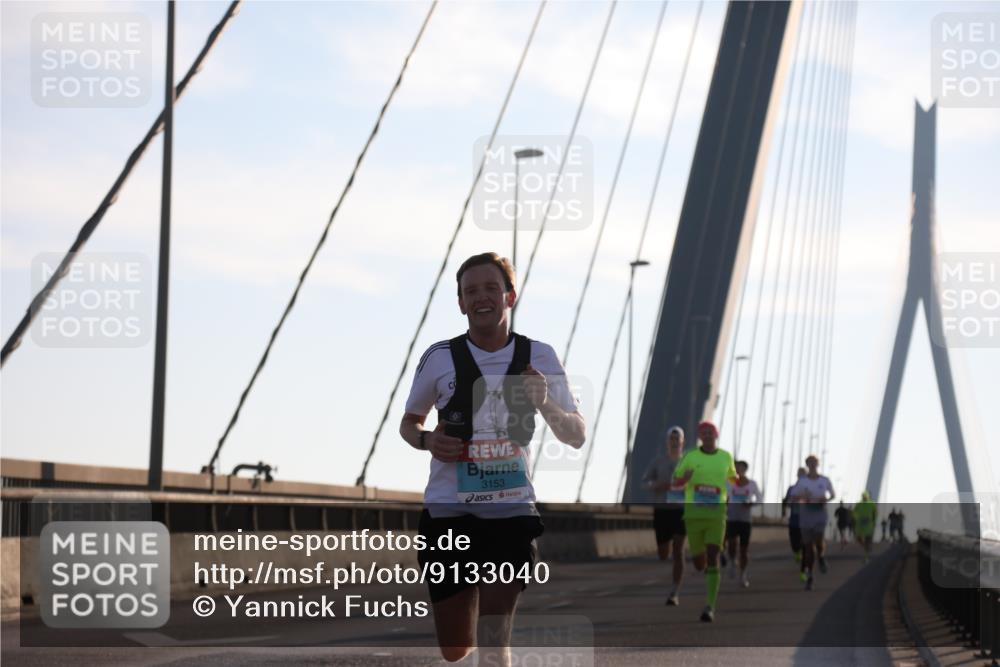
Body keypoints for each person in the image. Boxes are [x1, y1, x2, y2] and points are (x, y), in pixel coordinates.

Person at [400, 252, 586, 665]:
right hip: (449, 513)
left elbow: (576, 435)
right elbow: (409, 424)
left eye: (491, 288)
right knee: (454, 649)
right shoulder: (440, 358)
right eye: (471, 292)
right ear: (461, 303)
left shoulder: (539, 356)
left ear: (510, 296)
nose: (481, 297)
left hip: (510, 513)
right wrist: (428, 441)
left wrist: (546, 405)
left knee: (493, 638)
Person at [672, 420, 738, 622]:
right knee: (700, 563)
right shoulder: (690, 456)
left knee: (713, 556)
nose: (708, 435)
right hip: (693, 516)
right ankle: (706, 569)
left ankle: (710, 606)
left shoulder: (726, 457)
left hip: (717, 515)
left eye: (711, 432)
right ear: (700, 437)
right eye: (704, 432)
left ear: (716, 435)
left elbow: (733, 478)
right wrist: (685, 479)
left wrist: (734, 485)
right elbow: (675, 481)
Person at [642, 426, 688, 606]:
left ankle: (674, 591)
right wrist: (656, 485)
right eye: (672, 439)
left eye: (678, 439)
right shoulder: (658, 461)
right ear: (667, 441)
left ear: (682, 441)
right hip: (661, 511)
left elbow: (697, 484)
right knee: (663, 554)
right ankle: (667, 555)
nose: (675, 442)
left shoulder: (689, 463)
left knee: (678, 551)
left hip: (681, 511)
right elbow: (644, 482)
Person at [788, 455, 836, 591]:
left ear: (818, 464)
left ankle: (821, 557)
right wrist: (803, 497)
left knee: (819, 542)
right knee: (808, 549)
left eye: (815, 462)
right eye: (810, 463)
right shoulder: (802, 482)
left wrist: (825, 499)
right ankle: (810, 576)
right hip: (806, 516)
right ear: (807, 464)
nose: (813, 464)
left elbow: (832, 495)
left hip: (820, 514)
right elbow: (793, 497)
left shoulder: (824, 480)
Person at [725, 460, 760, 588]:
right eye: (736, 468)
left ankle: (743, 575)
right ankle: (731, 561)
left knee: (744, 550)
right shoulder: (729, 483)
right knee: (732, 544)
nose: (738, 470)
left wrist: (751, 503)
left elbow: (760, 499)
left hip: (746, 520)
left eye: (740, 468)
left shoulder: (752, 484)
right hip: (732, 518)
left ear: (745, 469)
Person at [782, 467, 807, 564]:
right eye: (800, 474)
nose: (801, 476)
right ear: (797, 475)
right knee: (794, 540)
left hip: (806, 520)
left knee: (804, 539)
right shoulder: (791, 488)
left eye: (803, 475)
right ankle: (797, 552)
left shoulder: (809, 488)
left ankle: (803, 555)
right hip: (794, 519)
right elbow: (786, 501)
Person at [854, 491, 877, 563]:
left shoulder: (872, 504)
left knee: (868, 540)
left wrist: (873, 521)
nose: (864, 498)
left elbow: (875, 513)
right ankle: (866, 547)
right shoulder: (859, 504)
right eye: (863, 497)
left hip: (869, 524)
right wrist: (857, 518)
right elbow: (854, 512)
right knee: (858, 538)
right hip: (860, 524)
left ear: (868, 497)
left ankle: (866, 557)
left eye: (866, 497)